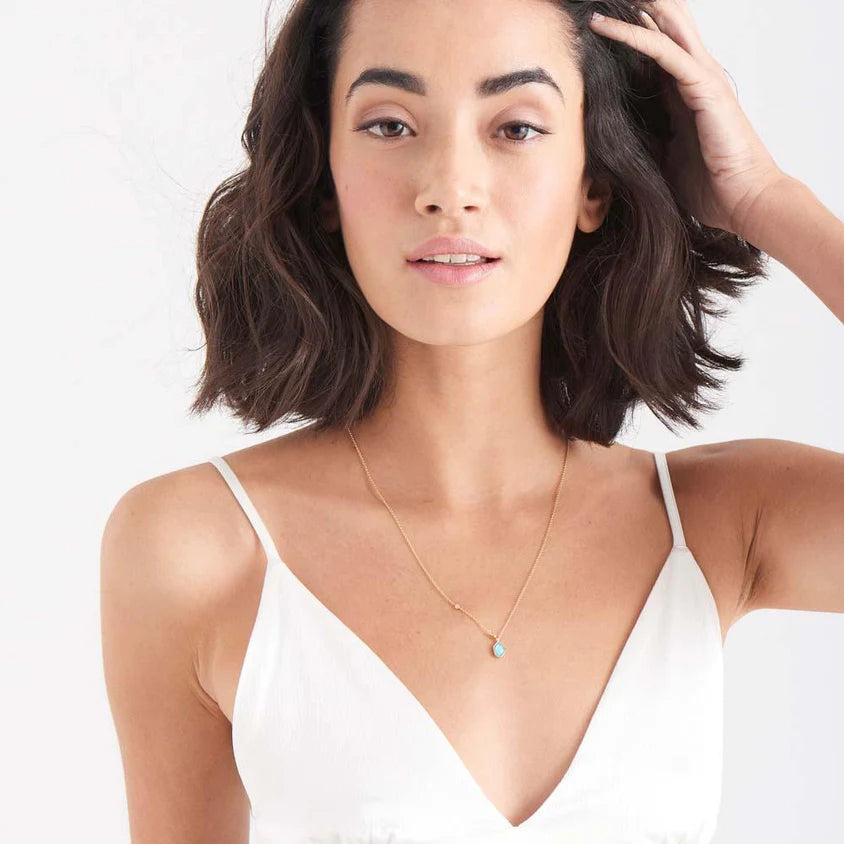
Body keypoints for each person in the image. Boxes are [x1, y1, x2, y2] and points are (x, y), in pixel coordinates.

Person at [100, 0, 844, 841]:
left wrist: (765, 197)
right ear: (325, 185)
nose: (449, 188)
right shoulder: (195, 549)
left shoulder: (718, 524)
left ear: (593, 184)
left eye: (517, 128)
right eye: (389, 125)